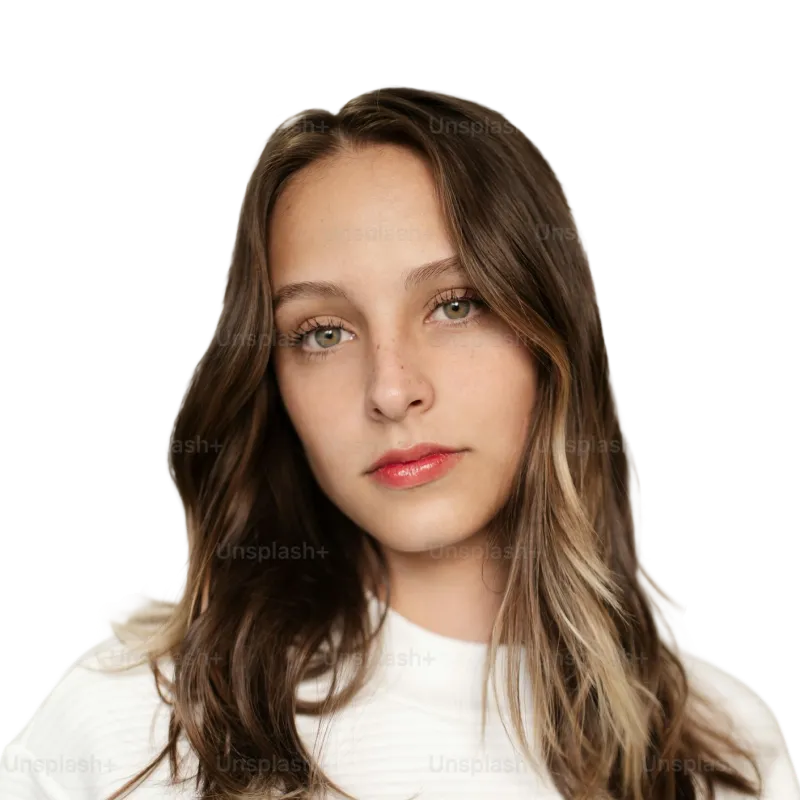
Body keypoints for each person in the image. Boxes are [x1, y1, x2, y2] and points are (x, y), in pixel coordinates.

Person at [1, 86, 796, 800]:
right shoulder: (129, 722)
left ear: (550, 332)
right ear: (272, 381)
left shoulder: (731, 751)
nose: (390, 389)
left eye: (455, 305)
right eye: (322, 332)